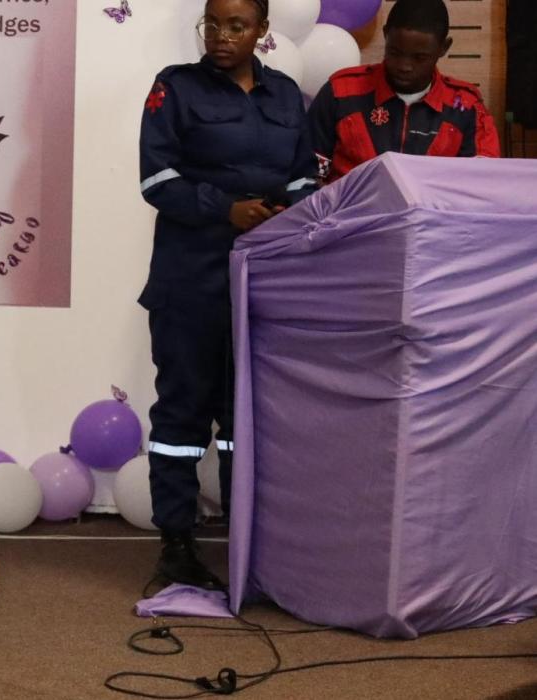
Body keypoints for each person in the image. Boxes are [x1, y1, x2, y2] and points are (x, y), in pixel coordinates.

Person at [138, 0, 317, 588]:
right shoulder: (175, 88)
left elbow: (304, 176)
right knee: (182, 415)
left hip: (262, 287)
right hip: (189, 284)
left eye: (236, 26)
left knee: (248, 419)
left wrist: (286, 212)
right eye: (211, 24)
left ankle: (249, 545)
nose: (220, 36)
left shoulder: (285, 95)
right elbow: (157, 179)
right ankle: (176, 546)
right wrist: (226, 210)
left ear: (261, 31)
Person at [307, 0, 500, 183]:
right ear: (386, 35)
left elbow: (481, 186)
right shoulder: (341, 92)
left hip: (434, 208)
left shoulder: (465, 107)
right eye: (395, 53)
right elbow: (307, 175)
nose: (404, 66)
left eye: (419, 58)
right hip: (348, 207)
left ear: (444, 47)